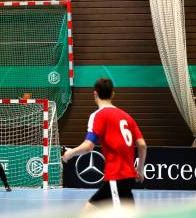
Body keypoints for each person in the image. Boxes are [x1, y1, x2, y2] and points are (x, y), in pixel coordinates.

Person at [62, 78, 147, 209]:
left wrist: (70, 153)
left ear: (95, 94)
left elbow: (88, 146)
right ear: (113, 94)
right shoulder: (127, 116)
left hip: (117, 175)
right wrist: (140, 169)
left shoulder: (98, 115)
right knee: (89, 209)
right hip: (127, 175)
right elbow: (141, 144)